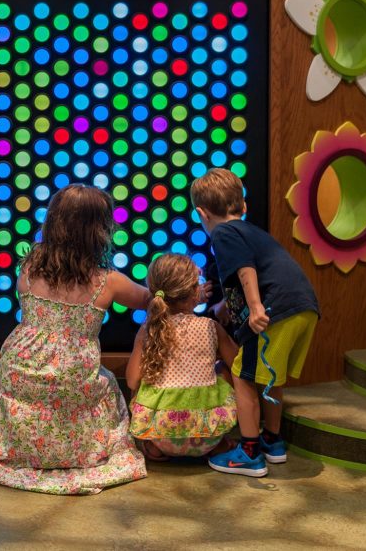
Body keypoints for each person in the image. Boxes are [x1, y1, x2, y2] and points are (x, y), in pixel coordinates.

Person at [0, 185, 150, 494]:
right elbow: (149, 300)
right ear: (100, 230)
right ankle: (75, 452)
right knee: (106, 386)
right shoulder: (108, 282)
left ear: (52, 222)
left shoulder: (30, 266)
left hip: (20, 371)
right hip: (74, 376)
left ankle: (20, 449)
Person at [190, 168, 319, 477]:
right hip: (303, 307)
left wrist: (256, 307)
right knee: (270, 377)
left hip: (272, 310)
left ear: (201, 213)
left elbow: (245, 269)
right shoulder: (252, 231)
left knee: (243, 376)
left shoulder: (223, 233)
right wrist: (224, 303)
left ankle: (249, 452)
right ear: (243, 206)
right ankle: (273, 442)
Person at [125, 253, 238, 461]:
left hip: (162, 438)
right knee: (224, 368)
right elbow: (238, 364)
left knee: (142, 381)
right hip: (206, 437)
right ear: (196, 292)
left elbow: (131, 380)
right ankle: (218, 442)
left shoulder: (148, 330)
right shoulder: (211, 327)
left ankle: (151, 446)